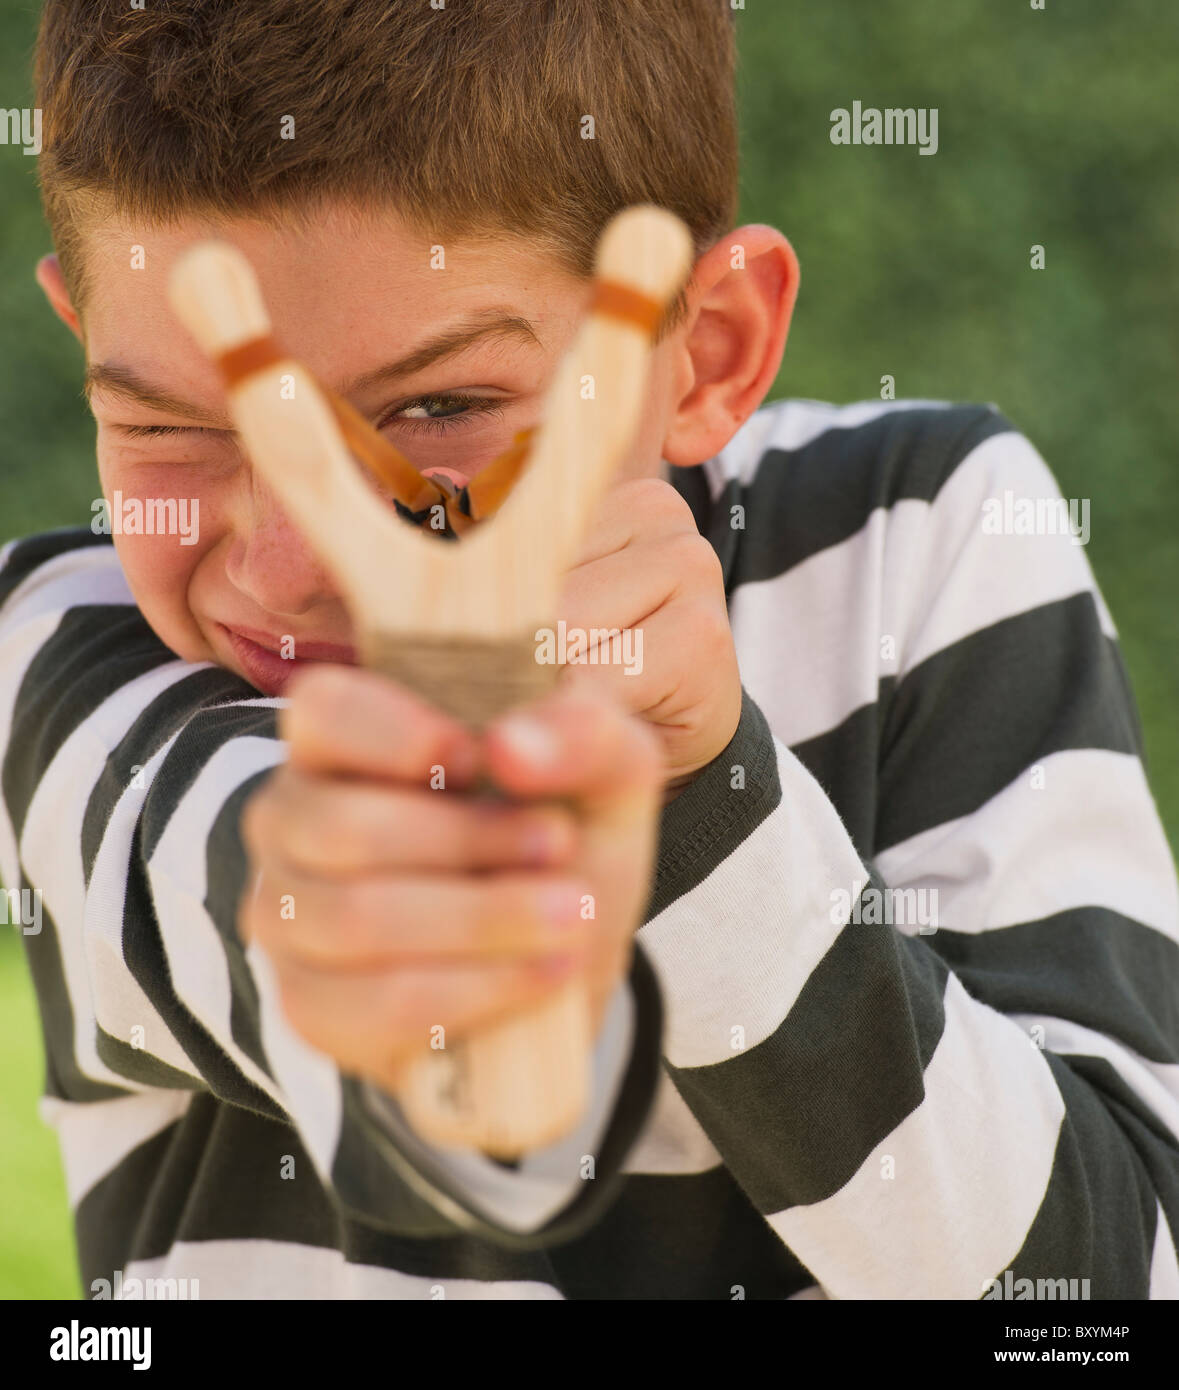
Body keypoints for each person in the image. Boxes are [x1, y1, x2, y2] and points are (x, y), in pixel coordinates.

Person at [3, 0, 1176, 1299]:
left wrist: (704, 779)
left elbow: (1101, 1290)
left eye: (440, 408)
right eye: (169, 425)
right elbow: (316, 932)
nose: (288, 564)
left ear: (707, 349)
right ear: (84, 341)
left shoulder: (913, 534)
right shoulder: (61, 650)